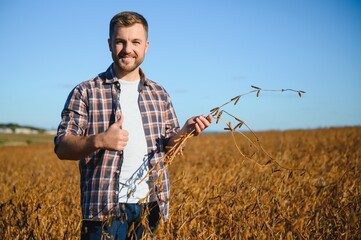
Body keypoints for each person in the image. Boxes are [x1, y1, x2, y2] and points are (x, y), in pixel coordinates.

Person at [54, 11, 212, 239]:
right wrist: (99, 140)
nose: (128, 49)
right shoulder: (85, 91)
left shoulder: (159, 94)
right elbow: (61, 147)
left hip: (151, 208)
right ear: (110, 44)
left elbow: (169, 148)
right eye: (120, 41)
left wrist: (183, 133)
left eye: (135, 42)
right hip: (103, 210)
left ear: (146, 46)